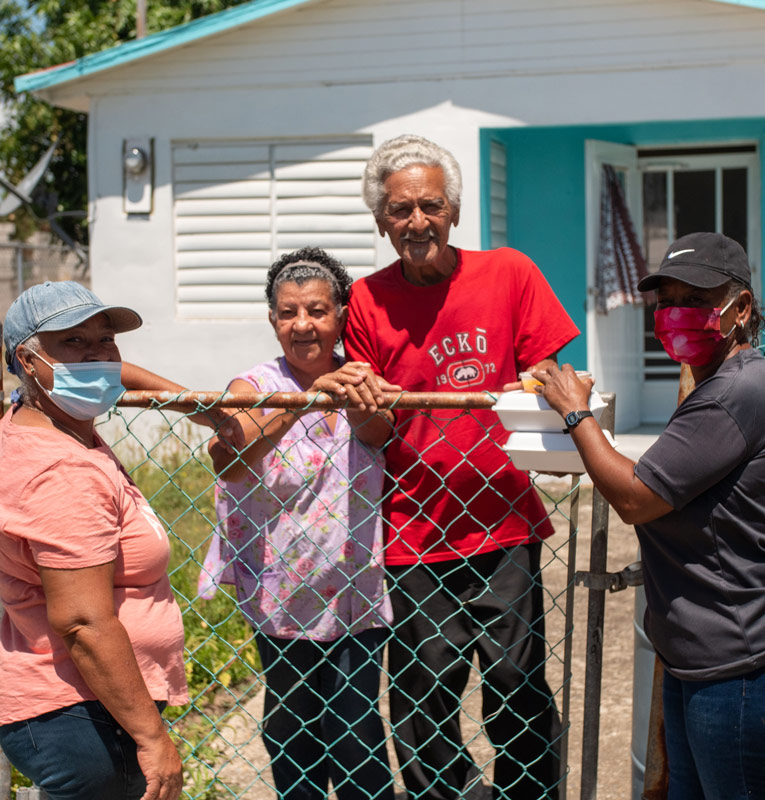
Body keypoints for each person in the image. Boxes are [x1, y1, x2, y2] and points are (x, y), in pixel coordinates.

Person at [342, 134, 580, 800]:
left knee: (514, 683)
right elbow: (370, 432)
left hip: (502, 522)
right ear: (380, 220)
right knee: (423, 695)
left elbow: (547, 370)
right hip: (413, 530)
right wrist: (364, 401)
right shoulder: (367, 300)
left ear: (452, 211)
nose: (416, 222)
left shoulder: (507, 273)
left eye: (430, 205)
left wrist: (555, 400)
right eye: (399, 210)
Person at [535, 232, 765, 800]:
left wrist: (576, 415)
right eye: (665, 302)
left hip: (732, 666)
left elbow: (637, 496)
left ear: (740, 309)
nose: (674, 314)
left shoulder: (734, 393)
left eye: (694, 299)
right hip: (698, 656)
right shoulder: (720, 385)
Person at [0, 280, 222, 800]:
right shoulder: (58, 470)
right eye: (73, 342)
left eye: (106, 339)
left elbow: (108, 374)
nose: (97, 356)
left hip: (85, 708)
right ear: (28, 362)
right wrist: (151, 739)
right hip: (80, 717)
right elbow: (83, 621)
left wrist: (200, 408)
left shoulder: (46, 424)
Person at [206, 247, 397, 800]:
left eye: (316, 310)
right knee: (291, 728)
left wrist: (349, 393)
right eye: (288, 312)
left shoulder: (361, 378)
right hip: (278, 590)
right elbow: (231, 458)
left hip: (353, 589)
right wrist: (303, 401)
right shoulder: (252, 386)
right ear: (272, 320)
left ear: (340, 316)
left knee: (356, 730)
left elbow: (377, 433)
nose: (302, 324)